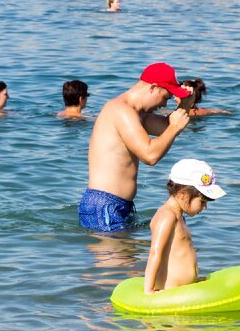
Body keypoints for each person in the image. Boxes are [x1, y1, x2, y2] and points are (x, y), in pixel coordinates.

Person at [80, 63, 191, 233]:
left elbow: (166, 128)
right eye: (166, 97)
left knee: (128, 258)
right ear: (153, 88)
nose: (164, 104)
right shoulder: (121, 110)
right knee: (119, 259)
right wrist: (174, 127)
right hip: (104, 206)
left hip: (119, 205)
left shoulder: (138, 113)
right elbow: (150, 155)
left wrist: (186, 104)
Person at [144, 158, 226, 292]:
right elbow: (155, 252)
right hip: (171, 291)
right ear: (183, 194)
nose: (205, 207)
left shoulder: (179, 217)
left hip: (184, 290)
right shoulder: (166, 216)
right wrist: (148, 291)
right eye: (203, 201)